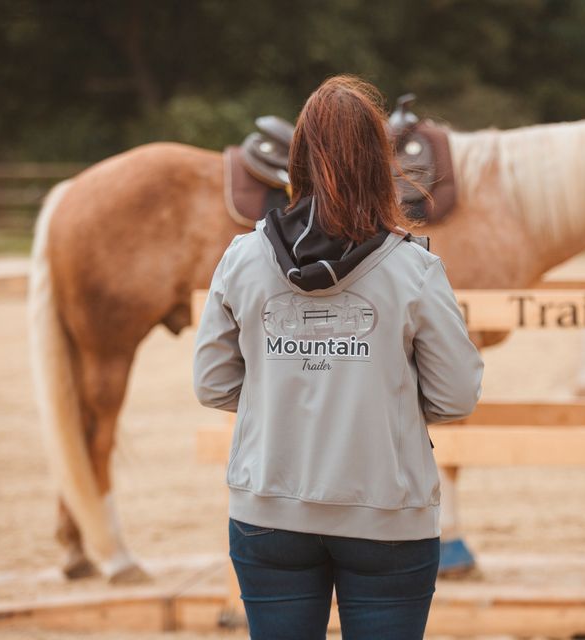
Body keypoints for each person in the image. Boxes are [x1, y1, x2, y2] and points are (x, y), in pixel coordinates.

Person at [192, 76, 484, 640]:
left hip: (269, 513)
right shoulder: (414, 269)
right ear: (380, 161)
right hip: (388, 514)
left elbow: (212, 384)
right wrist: (376, 394)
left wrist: (279, 388)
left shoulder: (241, 258)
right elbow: (455, 396)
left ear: (296, 157)